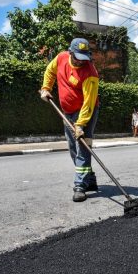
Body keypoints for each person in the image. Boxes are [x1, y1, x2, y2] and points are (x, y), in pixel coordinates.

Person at [40, 38, 100, 203]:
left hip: (86, 112)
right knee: (73, 147)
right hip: (67, 112)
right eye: (77, 57)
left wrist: (80, 124)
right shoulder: (60, 58)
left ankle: (80, 186)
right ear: (70, 53)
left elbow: (89, 102)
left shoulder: (91, 73)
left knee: (83, 145)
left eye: (84, 58)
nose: (81, 61)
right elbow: (50, 71)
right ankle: (90, 179)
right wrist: (46, 88)